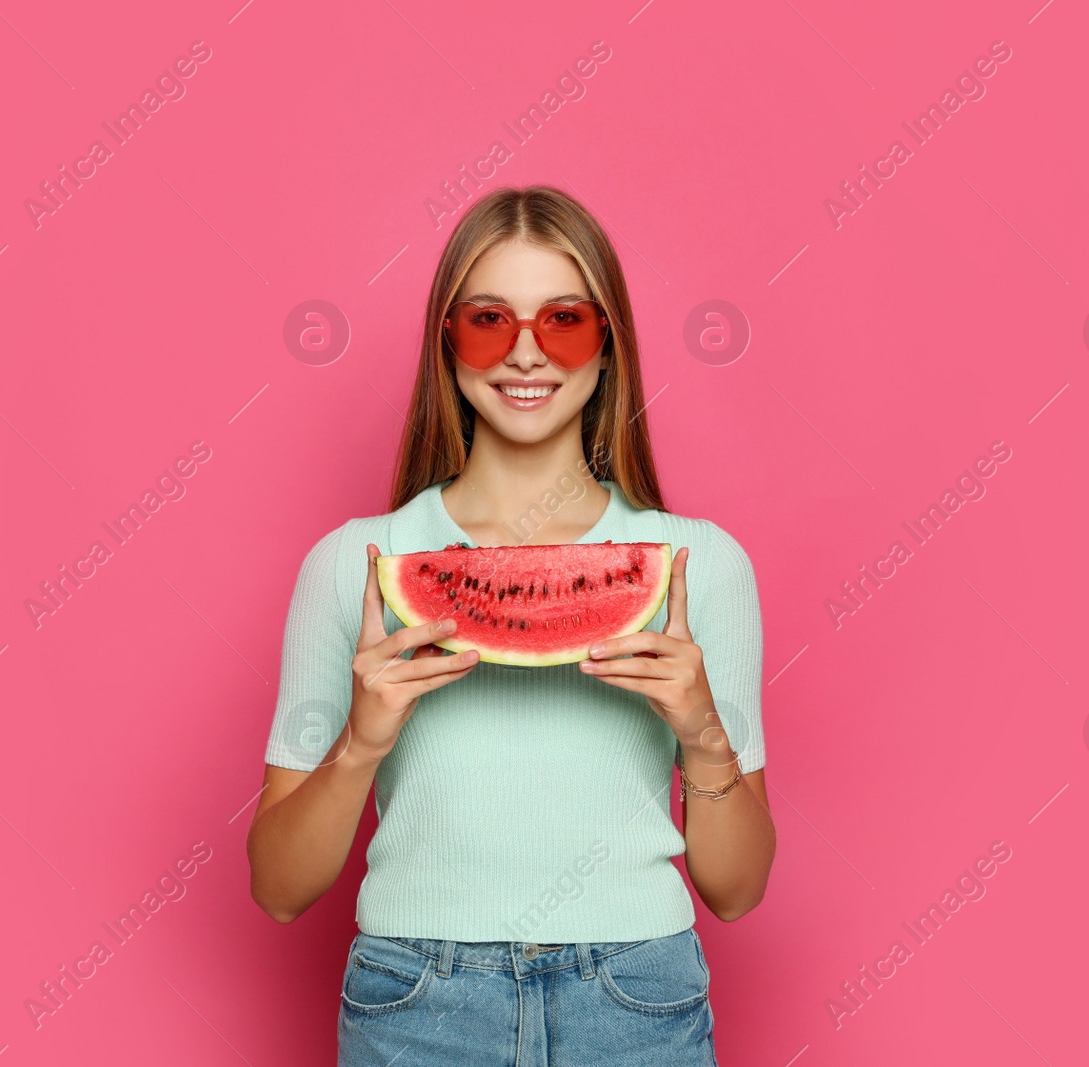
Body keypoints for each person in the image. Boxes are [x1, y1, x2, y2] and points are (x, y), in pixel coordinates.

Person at [247, 184, 774, 1066]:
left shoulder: (696, 565)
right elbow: (277, 888)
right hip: (417, 1002)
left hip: (635, 999)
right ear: (448, 343)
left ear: (608, 345)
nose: (526, 353)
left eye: (563, 320)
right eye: (489, 320)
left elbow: (737, 889)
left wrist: (705, 736)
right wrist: (359, 745)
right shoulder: (358, 565)